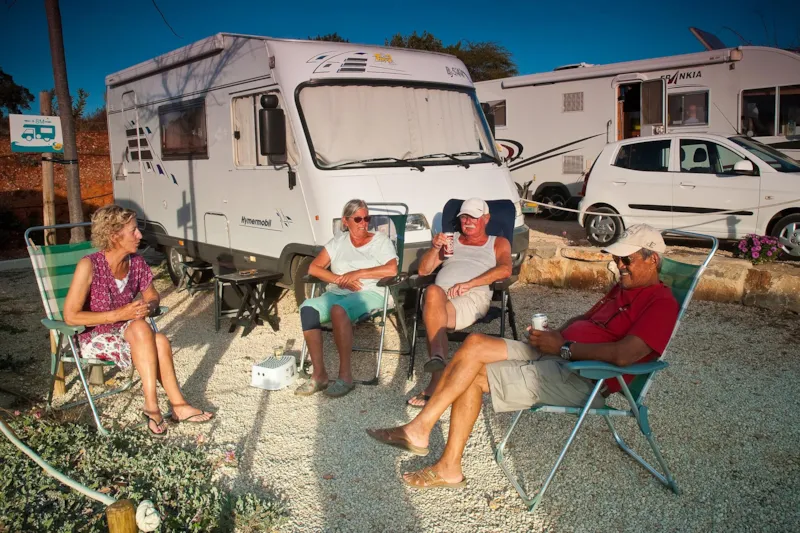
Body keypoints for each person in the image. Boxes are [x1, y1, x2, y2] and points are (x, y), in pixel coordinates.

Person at [367, 224, 679, 489]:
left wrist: (565, 347)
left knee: (474, 379)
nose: (618, 266)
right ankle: (421, 429)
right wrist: (552, 334)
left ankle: (446, 464)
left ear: (652, 259)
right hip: (561, 352)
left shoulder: (661, 303)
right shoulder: (623, 288)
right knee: (475, 343)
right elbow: (585, 320)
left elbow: (625, 355)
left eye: (626, 259)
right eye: (616, 259)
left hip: (586, 375)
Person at [63, 205, 213, 437]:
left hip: (128, 331)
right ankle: (155, 406)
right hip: (94, 335)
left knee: (159, 338)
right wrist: (117, 315)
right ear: (114, 236)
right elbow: (71, 316)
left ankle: (174, 406)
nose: (139, 235)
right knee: (154, 337)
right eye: (133, 231)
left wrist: (149, 306)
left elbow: (152, 295)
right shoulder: (89, 265)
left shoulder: (136, 263)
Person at [407, 198, 512, 408]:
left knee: (433, 307)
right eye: (464, 217)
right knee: (433, 291)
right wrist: (434, 249)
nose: (467, 221)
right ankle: (438, 358)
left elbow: (505, 269)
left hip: (471, 298)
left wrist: (470, 284)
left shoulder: (497, 242)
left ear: (486, 218)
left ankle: (437, 378)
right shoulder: (450, 240)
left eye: (473, 216)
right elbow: (424, 271)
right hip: (439, 299)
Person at [295, 199, 398, 398]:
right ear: (346, 221)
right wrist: (339, 280)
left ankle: (345, 377)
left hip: (371, 292)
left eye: (367, 218)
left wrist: (358, 273)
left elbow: (391, 269)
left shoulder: (380, 241)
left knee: (338, 310)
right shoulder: (338, 242)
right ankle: (319, 375)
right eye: (358, 219)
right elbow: (314, 268)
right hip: (338, 291)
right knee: (308, 308)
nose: (364, 223)